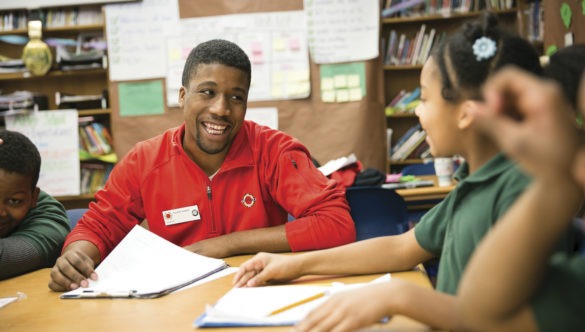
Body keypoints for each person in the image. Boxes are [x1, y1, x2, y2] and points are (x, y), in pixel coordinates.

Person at [232, 13, 565, 331]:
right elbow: (402, 247)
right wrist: (293, 264)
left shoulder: (523, 192)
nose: (418, 111)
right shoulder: (473, 184)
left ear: (464, 114)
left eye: (425, 97)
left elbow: (505, 320)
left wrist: (399, 296)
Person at [49, 39, 355, 292]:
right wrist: (76, 255)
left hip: (258, 292)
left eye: (236, 97)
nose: (221, 109)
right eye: (207, 92)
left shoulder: (275, 151)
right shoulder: (145, 160)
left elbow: (336, 224)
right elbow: (99, 226)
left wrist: (227, 245)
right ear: (183, 96)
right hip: (175, 299)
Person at [456, 50, 585, 330]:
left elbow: (485, 314)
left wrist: (557, 183)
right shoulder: (467, 182)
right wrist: (557, 184)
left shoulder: (521, 183)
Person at [0, 129, 70, 280]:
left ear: (33, 197)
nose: (1, 212)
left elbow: (5, 258)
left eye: (14, 201)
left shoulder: (49, 219)